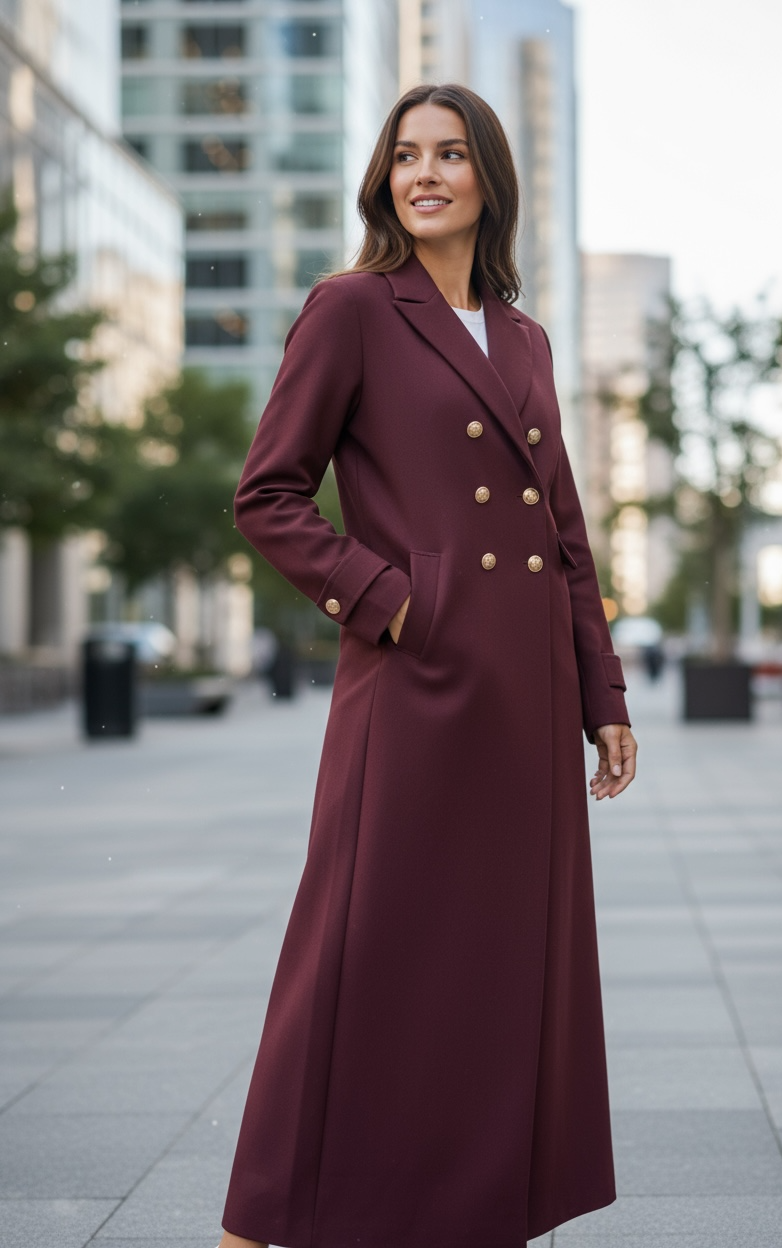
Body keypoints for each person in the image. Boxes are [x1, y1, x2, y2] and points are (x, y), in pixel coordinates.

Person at [218, 82, 637, 1248]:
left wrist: (602, 698)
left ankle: (468, 1212)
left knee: (498, 972)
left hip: (526, 710)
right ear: (384, 178)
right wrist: (392, 600)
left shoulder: (526, 338)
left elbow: (564, 538)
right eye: (407, 156)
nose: (427, 174)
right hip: (412, 690)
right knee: (353, 954)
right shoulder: (351, 309)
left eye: (452, 154)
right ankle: (257, 1224)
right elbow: (266, 495)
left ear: (489, 178)